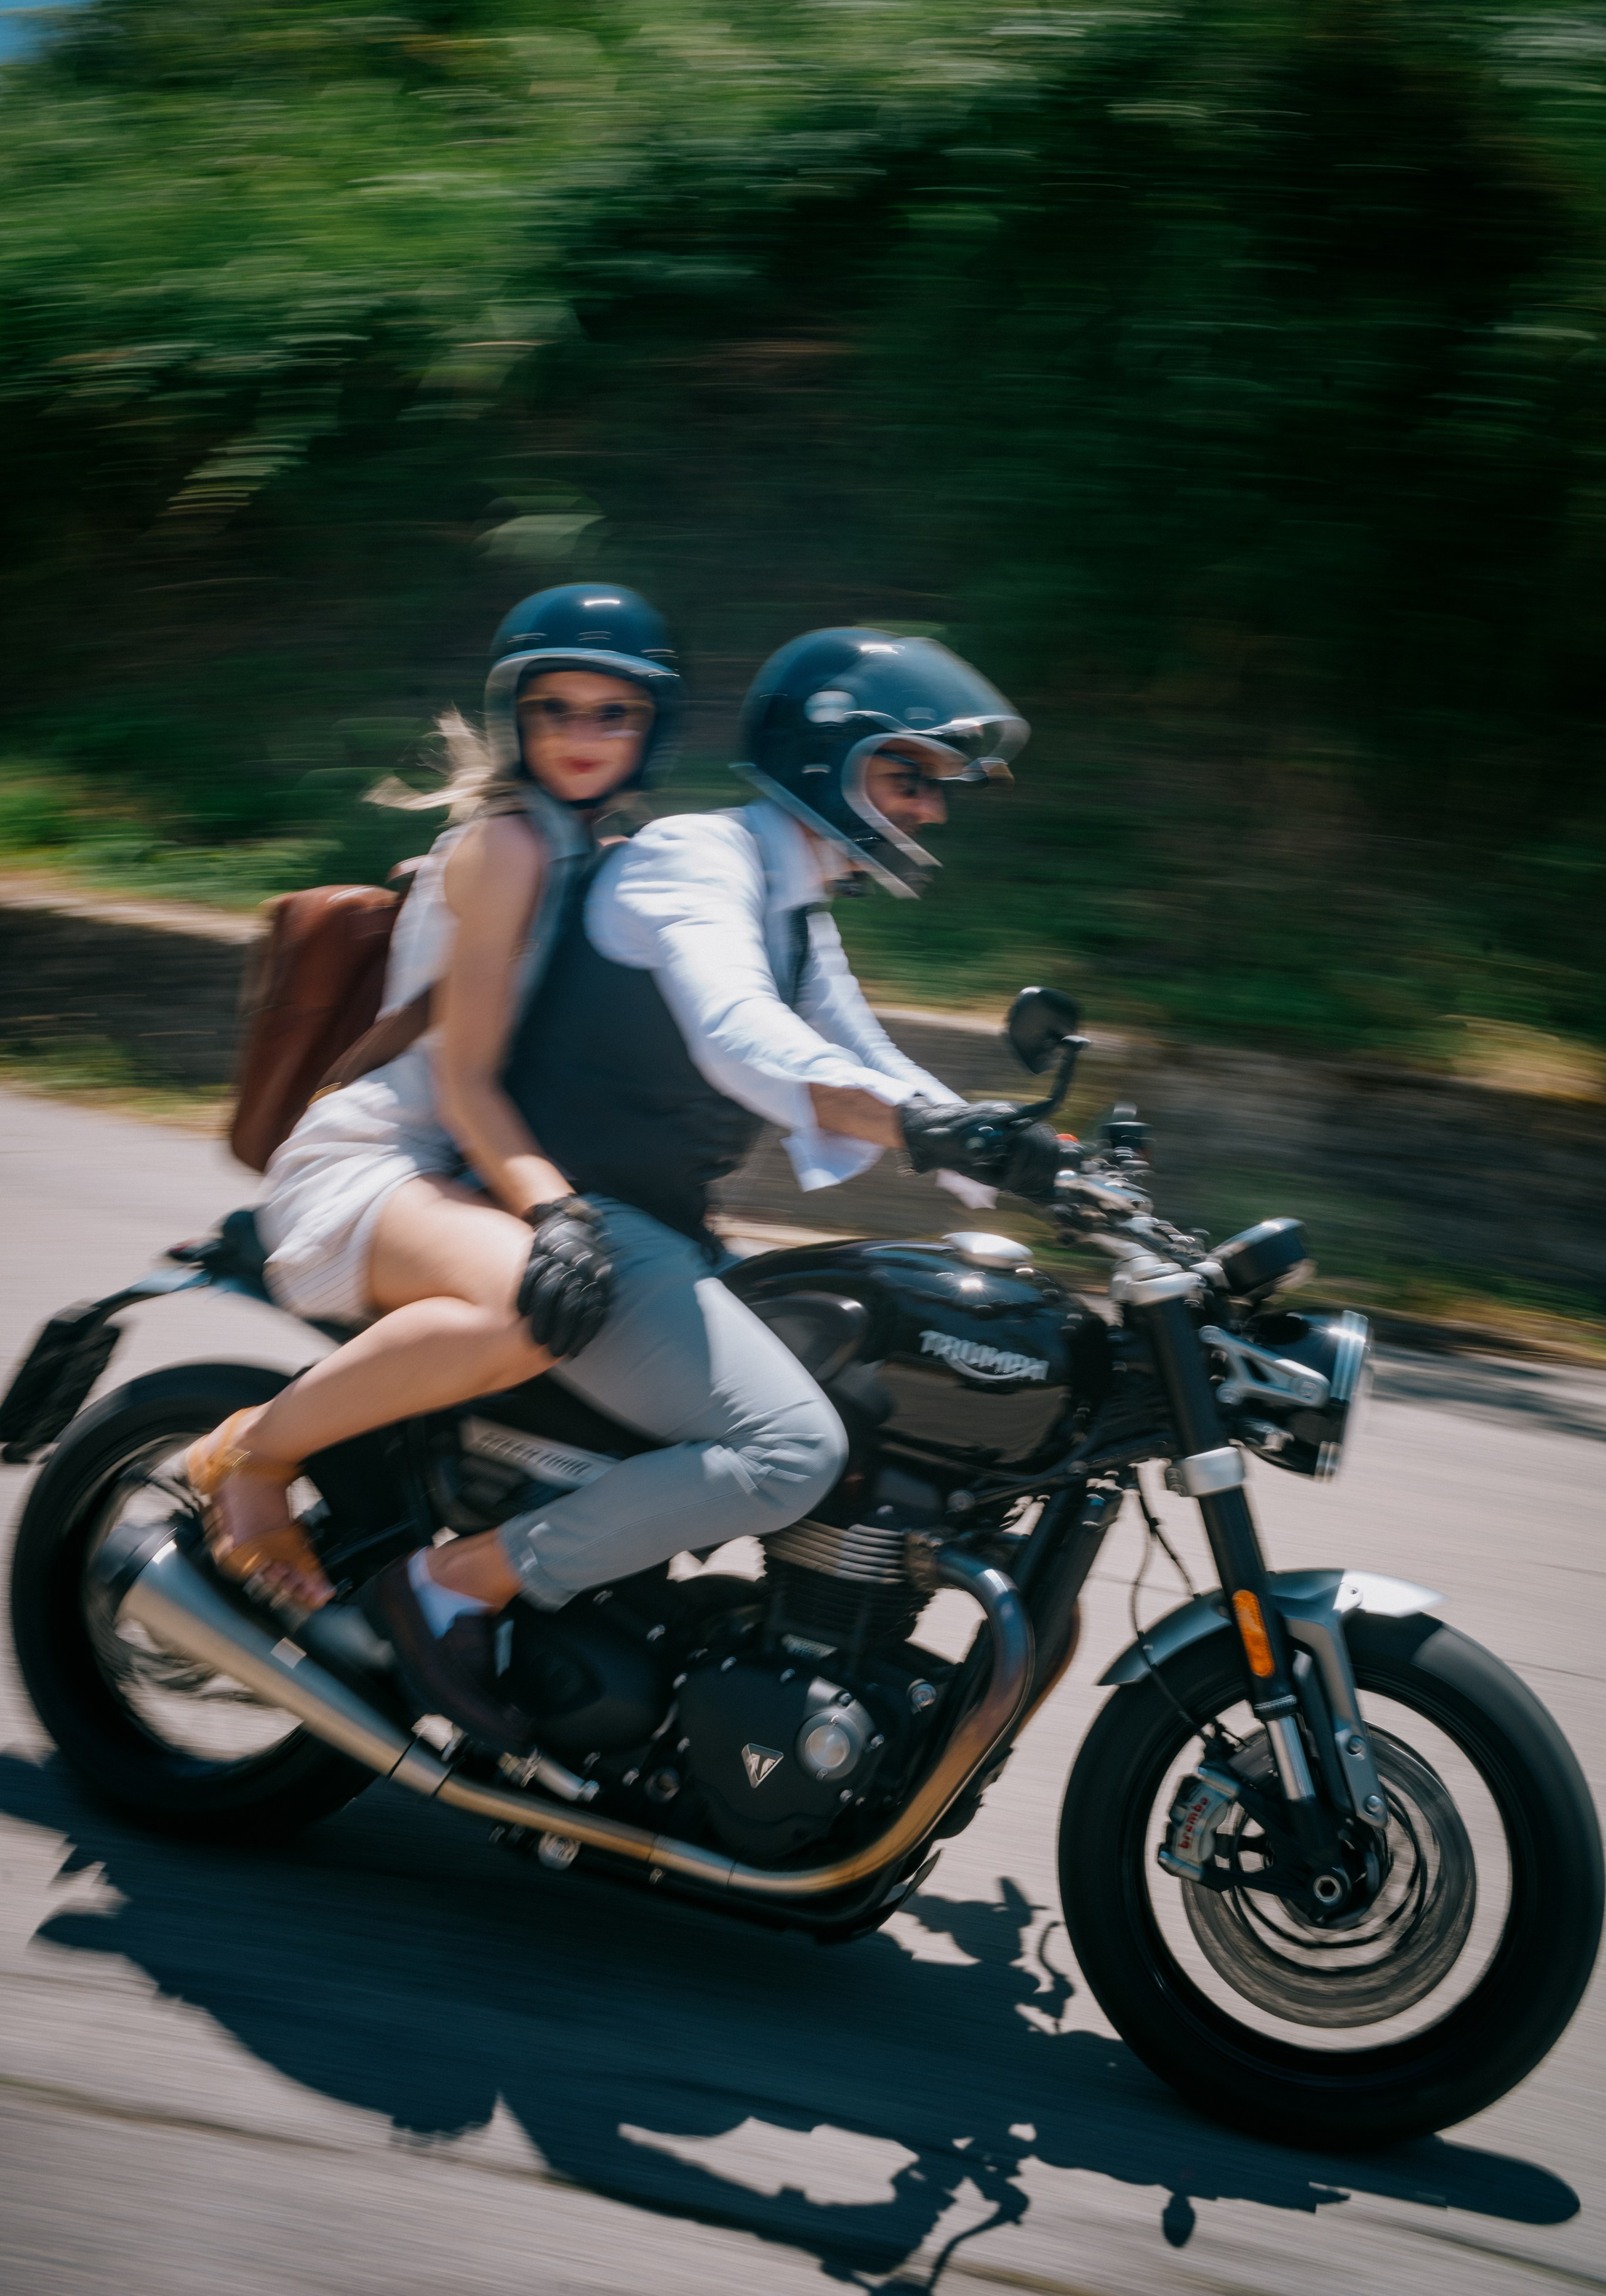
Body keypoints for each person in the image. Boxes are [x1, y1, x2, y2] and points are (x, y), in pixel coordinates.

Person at [273, 625, 1063, 1753]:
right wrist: (923, 1126)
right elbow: (744, 1037)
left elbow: (869, 1058)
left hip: (658, 1227)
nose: (930, 809)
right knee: (790, 1450)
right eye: (907, 775)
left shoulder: (794, 905)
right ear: (825, 764)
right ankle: (457, 1584)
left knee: (877, 1393)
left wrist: (1037, 1160)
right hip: (586, 1221)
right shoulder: (698, 860)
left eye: (934, 786)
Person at [182, 583, 679, 1737]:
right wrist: (557, 1212)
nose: (583, 733)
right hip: (377, 1159)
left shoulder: (576, 841)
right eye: (556, 708)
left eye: (614, 712)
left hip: (447, 1164)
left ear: (652, 727)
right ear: (517, 718)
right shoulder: (511, 840)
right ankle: (247, 1457)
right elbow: (461, 1080)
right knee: (530, 1311)